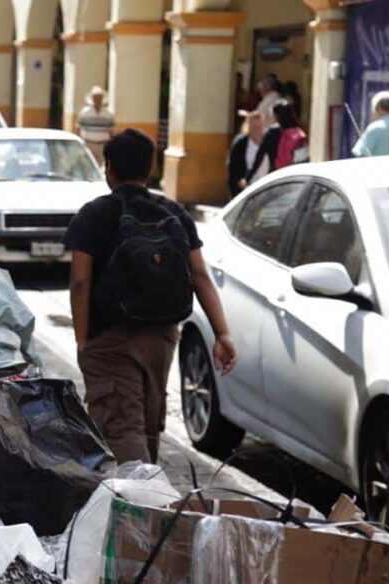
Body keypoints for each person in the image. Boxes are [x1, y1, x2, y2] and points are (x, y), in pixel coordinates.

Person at [63, 129, 237, 464]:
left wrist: (84, 342)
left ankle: (141, 507)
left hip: (109, 339)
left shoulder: (95, 214)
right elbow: (199, 275)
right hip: (162, 337)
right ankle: (149, 505)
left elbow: (80, 282)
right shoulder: (172, 213)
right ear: (150, 167)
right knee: (147, 426)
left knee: (122, 429)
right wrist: (222, 333)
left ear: (108, 168)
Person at [227, 110, 277, 197]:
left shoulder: (270, 143)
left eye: (259, 127)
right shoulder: (240, 144)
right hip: (246, 190)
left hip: (267, 188)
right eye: (254, 127)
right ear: (248, 127)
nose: (257, 130)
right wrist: (239, 182)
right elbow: (233, 169)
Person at [76, 86, 116, 162]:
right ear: (92, 99)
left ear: (103, 99)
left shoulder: (108, 114)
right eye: (95, 98)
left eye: (100, 98)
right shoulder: (85, 113)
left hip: (103, 145)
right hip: (88, 144)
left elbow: (111, 132)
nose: (98, 100)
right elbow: (78, 129)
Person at [272, 101, 308, 170]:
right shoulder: (300, 132)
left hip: (287, 174)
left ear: (277, 116)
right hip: (301, 171)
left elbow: (282, 162)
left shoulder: (286, 136)